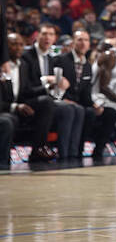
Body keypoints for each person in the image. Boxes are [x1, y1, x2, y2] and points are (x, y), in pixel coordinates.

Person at [21, 23, 85, 159]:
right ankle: (43, 148)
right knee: (56, 106)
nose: (47, 38)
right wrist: (46, 82)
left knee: (77, 109)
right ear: (37, 36)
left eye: (51, 35)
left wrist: (61, 87)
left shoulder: (50, 58)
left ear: (55, 39)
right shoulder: (26, 56)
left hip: (48, 98)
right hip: (29, 98)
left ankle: (71, 153)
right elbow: (26, 87)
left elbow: (53, 87)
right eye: (44, 34)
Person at [53, 29, 116, 158]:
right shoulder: (61, 60)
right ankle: (75, 152)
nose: (83, 43)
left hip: (80, 103)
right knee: (86, 112)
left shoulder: (87, 66)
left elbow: (86, 94)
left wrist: (95, 105)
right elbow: (55, 87)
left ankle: (98, 152)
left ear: (89, 44)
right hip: (64, 102)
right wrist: (64, 99)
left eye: (86, 40)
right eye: (80, 40)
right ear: (73, 43)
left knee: (110, 113)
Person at [0, 33, 55, 165]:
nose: (18, 48)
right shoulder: (2, 66)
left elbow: (26, 91)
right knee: (10, 119)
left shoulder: (23, 65)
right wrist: (16, 107)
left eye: (21, 45)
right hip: (5, 108)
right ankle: (4, 162)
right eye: (14, 44)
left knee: (46, 102)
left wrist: (48, 88)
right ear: (5, 47)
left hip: (19, 104)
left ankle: (38, 148)